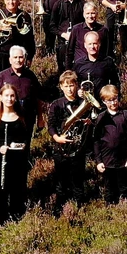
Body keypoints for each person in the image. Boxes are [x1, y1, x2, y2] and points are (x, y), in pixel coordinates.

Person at [0, 84, 32, 224]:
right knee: (0, 188)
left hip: (18, 159)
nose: (9, 99)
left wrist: (22, 145)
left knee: (18, 188)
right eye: (6, 95)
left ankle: (17, 218)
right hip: (1, 159)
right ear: (0, 97)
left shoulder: (22, 115)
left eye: (12, 96)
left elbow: (27, 136)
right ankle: (1, 220)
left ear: (16, 98)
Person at [47, 71, 91, 207]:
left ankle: (79, 208)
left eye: (71, 85)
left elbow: (89, 121)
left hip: (78, 148)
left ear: (76, 85)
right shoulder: (56, 104)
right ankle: (60, 208)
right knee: (61, 181)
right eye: (66, 86)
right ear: (61, 87)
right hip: (61, 148)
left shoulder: (83, 103)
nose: (69, 89)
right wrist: (57, 138)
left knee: (78, 180)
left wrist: (88, 122)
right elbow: (51, 125)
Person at [92, 85, 127, 203]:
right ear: (104, 101)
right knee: (109, 190)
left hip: (124, 161)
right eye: (109, 100)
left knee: (125, 188)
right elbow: (96, 140)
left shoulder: (126, 115)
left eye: (115, 99)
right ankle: (111, 210)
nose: (113, 103)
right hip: (107, 161)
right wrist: (98, 161)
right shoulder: (101, 117)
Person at [0, 46, 44, 135]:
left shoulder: (30, 75)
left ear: (24, 59)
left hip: (28, 117)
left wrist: (40, 118)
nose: (18, 60)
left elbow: (38, 97)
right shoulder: (2, 76)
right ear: (10, 60)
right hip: (8, 117)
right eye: (15, 57)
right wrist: (7, 103)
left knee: (26, 142)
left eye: (20, 57)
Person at [50, 0, 85, 71]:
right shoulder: (58, 4)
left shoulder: (82, 4)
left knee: (79, 68)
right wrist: (63, 34)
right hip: (63, 43)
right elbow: (52, 26)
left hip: (79, 43)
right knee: (63, 70)